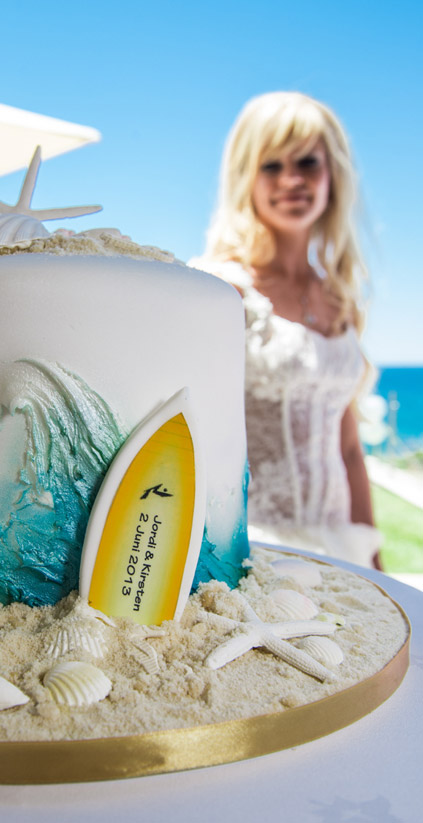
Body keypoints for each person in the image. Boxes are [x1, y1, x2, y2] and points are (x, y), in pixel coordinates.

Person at [190, 91, 381, 568]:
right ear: (245, 177)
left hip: (342, 546)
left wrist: (374, 559)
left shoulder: (341, 298)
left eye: (307, 162)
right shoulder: (219, 289)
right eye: (271, 165)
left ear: (332, 173)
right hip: (256, 546)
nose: (291, 180)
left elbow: (349, 446)